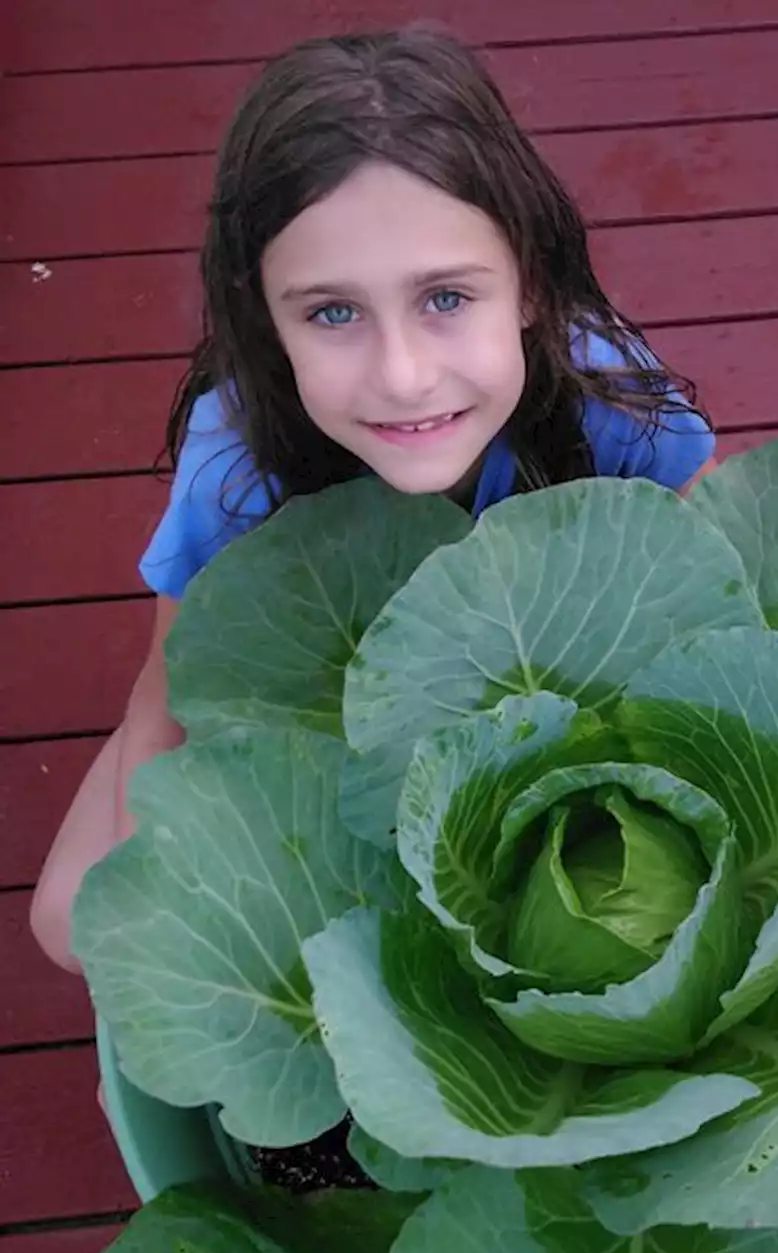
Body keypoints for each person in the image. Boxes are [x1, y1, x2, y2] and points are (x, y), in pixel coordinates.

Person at [29, 25, 716, 975]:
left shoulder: (602, 396)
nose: (403, 376)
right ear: (265, 319)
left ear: (527, 281)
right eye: (333, 313)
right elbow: (167, 702)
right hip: (339, 749)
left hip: (575, 731)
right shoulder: (240, 469)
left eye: (445, 298)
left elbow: (735, 584)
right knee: (75, 924)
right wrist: (183, 909)